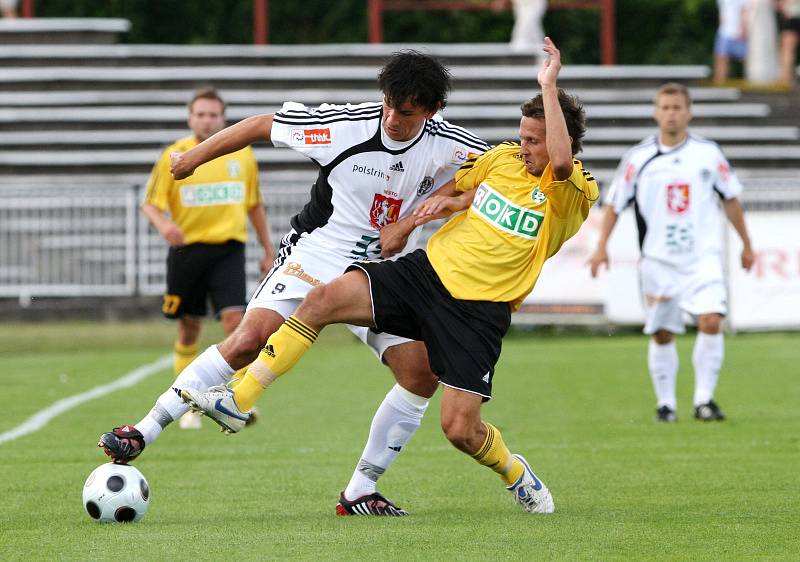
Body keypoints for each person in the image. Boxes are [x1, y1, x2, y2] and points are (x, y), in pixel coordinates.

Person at [182, 37, 598, 514]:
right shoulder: (502, 158)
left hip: (480, 311)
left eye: (533, 140)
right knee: (322, 300)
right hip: (426, 275)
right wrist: (412, 220)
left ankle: (515, 472)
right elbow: (460, 186)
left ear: (560, 138)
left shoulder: (575, 191)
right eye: (522, 136)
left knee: (461, 430)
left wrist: (548, 84)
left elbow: (560, 163)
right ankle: (240, 396)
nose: (522, 147)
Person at [99, 51, 490, 516]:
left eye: (405, 114)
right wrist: (194, 159)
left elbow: (494, 183)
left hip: (384, 274)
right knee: (248, 340)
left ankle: (360, 491)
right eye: (387, 104)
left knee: (421, 374)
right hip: (316, 255)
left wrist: (420, 215)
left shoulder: (453, 145)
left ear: (431, 111)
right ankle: (142, 431)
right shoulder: (346, 125)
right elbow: (262, 124)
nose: (391, 118)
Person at [589, 82, 754, 423]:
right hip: (658, 261)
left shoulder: (708, 153)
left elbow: (731, 198)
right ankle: (666, 404)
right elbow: (614, 204)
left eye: (677, 107)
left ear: (689, 112)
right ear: (656, 113)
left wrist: (746, 244)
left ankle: (704, 401)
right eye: (665, 107)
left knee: (711, 321)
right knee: (663, 332)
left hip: (702, 258)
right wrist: (601, 246)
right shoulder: (638, 158)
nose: (671, 114)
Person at [142, 87, 275, 429]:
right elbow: (151, 204)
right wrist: (165, 227)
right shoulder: (174, 154)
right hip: (188, 252)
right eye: (200, 114)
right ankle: (187, 403)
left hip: (229, 249)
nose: (206, 119)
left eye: (213, 114)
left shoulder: (242, 155)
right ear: (190, 118)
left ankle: (239, 400)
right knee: (189, 328)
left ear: (223, 118)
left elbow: (253, 204)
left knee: (237, 323)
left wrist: (267, 248)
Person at [713, 0, 750, 84]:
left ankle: (751, 82)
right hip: (724, 31)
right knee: (721, 58)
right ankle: (720, 83)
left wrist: (743, 29)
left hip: (737, 31)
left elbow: (745, 11)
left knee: (746, 59)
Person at [778, 0, 800, 86]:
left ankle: (786, 77)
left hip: (792, 14)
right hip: (792, 13)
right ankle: (786, 77)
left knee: (788, 49)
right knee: (788, 49)